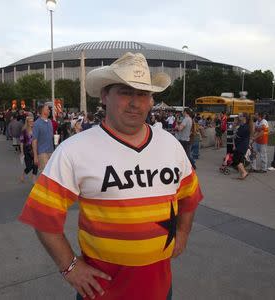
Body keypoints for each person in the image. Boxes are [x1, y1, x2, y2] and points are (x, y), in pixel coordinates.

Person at [19, 52, 203, 300]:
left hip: (160, 290)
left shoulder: (170, 145)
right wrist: (70, 266)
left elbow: (190, 197)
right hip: (101, 293)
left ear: (151, 100)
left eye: (143, 94)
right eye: (126, 92)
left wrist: (182, 233)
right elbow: (42, 215)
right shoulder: (75, 150)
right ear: (105, 95)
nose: (135, 103)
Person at [32, 104, 54, 173]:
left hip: (51, 151)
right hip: (42, 152)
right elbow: (34, 141)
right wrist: (35, 156)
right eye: (47, 109)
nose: (49, 110)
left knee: (51, 173)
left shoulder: (50, 122)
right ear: (42, 111)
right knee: (45, 173)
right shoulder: (37, 124)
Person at [233, 113, 252, 179]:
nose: (239, 117)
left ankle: (244, 172)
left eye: (240, 116)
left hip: (242, 145)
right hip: (240, 144)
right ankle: (243, 173)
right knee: (240, 159)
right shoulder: (242, 125)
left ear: (244, 118)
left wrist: (236, 130)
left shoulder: (245, 126)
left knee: (236, 159)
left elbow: (238, 134)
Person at [20, 116, 38, 183]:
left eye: (32, 121)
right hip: (27, 149)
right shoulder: (24, 131)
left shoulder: (36, 130)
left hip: (35, 148)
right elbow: (21, 142)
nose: (31, 123)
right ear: (27, 122)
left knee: (35, 164)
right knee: (29, 166)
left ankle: (34, 179)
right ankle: (23, 174)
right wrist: (22, 152)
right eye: (30, 121)